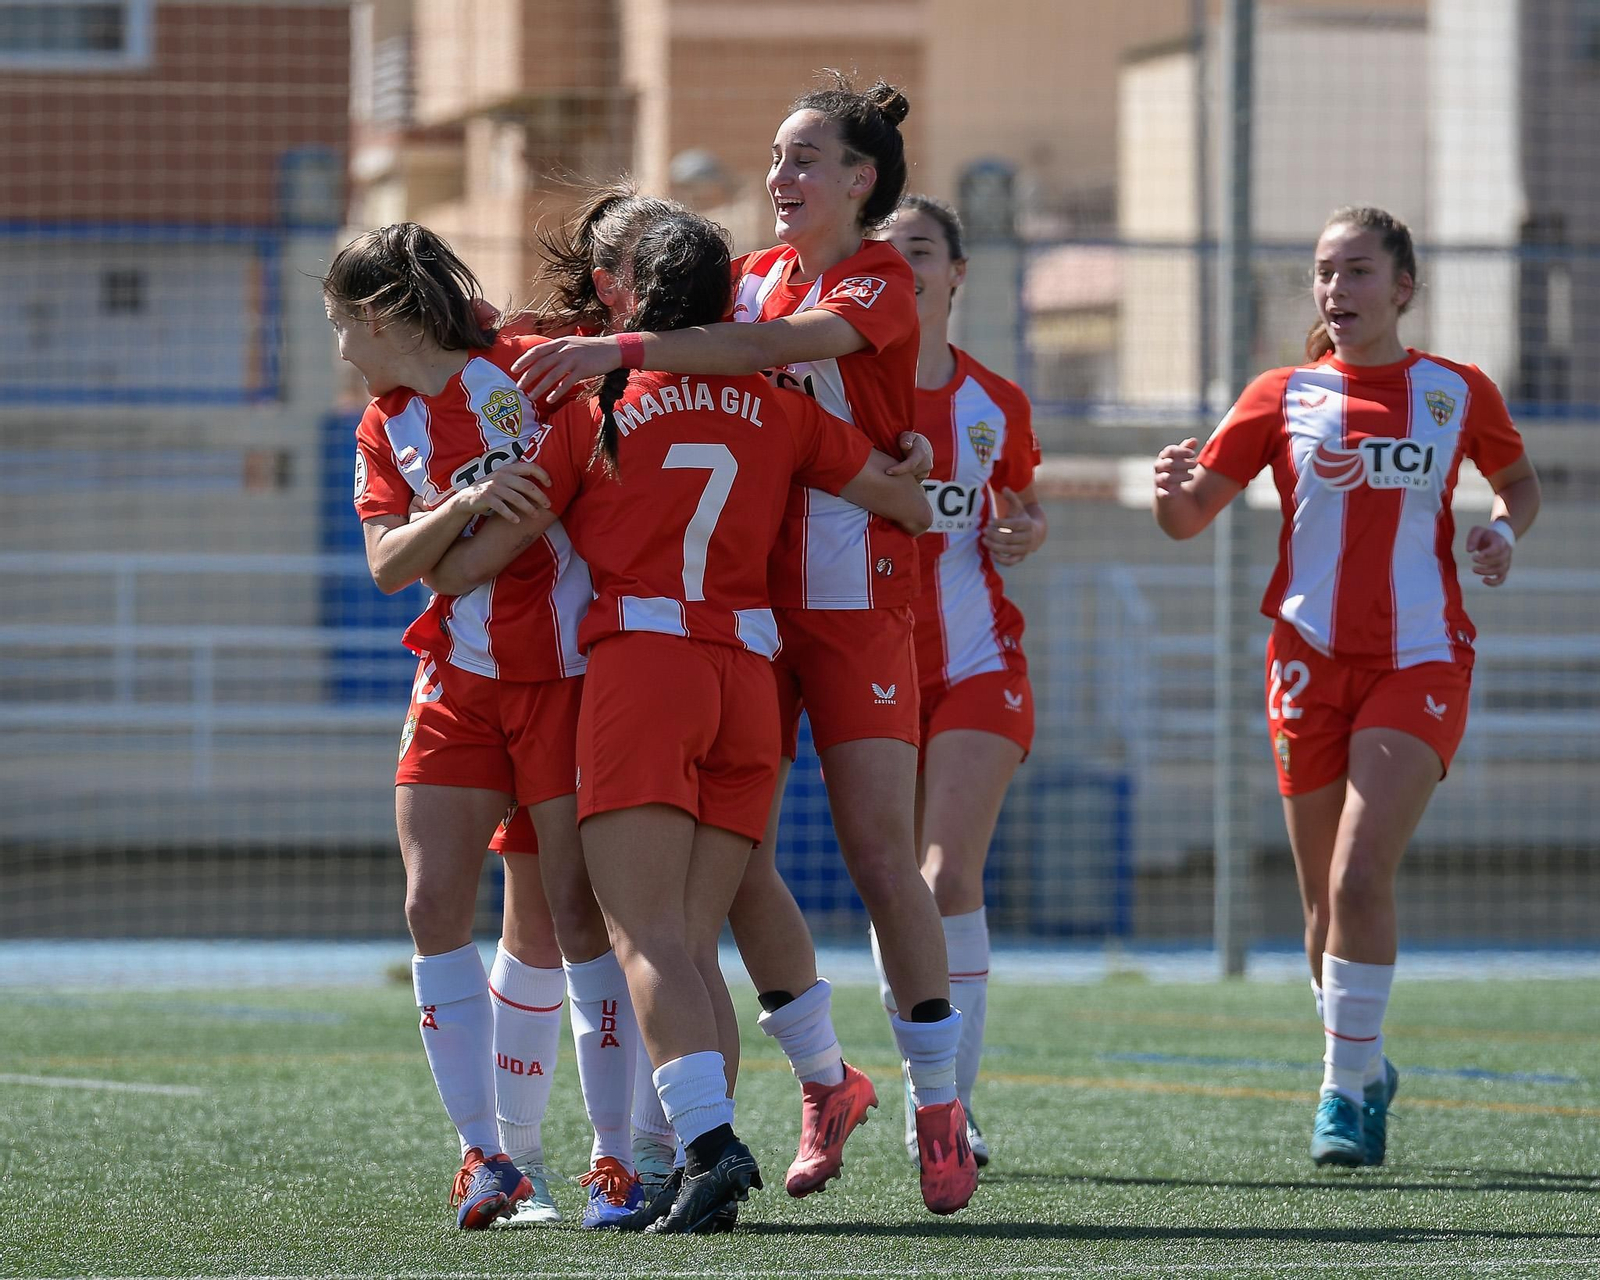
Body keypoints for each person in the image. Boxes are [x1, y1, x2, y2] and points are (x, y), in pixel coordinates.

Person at [511, 73, 978, 1216]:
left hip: (858, 585)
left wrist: (622, 352)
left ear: (861, 181)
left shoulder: (875, 273)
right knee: (738, 861)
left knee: (879, 852)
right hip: (751, 600)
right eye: (775, 156)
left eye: (805, 158)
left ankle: (939, 1102)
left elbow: (760, 350)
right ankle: (823, 1081)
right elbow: (684, 342)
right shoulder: (752, 280)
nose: (780, 176)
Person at [423, 207, 934, 1232]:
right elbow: (909, 502)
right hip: (748, 673)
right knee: (693, 942)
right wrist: (909, 459)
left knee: (644, 931)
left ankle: (705, 1145)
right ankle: (683, 1156)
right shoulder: (778, 403)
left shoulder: (600, 400)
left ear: (633, 296)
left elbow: (506, 531)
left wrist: (442, 562)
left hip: (645, 668)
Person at [1151, 206, 1540, 1168]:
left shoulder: (1456, 392)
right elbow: (1193, 515)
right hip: (1303, 659)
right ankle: (1365, 1064)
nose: (1337, 290)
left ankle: (1340, 1095)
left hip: (1420, 660)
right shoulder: (1280, 395)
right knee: (1323, 906)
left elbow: (1521, 483)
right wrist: (1170, 493)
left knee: (1361, 875)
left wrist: (1500, 530)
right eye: (1325, 274)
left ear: (1403, 287)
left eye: (1358, 272)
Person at [329, 222, 580, 1228]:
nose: (337, 343)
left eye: (342, 320)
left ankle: (563, 1155)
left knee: (554, 916)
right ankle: (484, 1157)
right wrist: (468, 500)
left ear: (385, 315)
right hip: (457, 679)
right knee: (433, 902)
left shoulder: (524, 366)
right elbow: (392, 566)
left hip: (565, 672)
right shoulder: (384, 426)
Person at [875, 195, 1046, 1171]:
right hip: (874, 671)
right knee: (896, 880)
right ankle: (925, 1087)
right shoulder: (847, 393)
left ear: (955, 273)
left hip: (981, 662)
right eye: (888, 254)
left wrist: (1023, 530)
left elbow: (1017, 506)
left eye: (922, 251)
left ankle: (949, 1105)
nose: (904, 267)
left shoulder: (994, 403)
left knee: (947, 873)